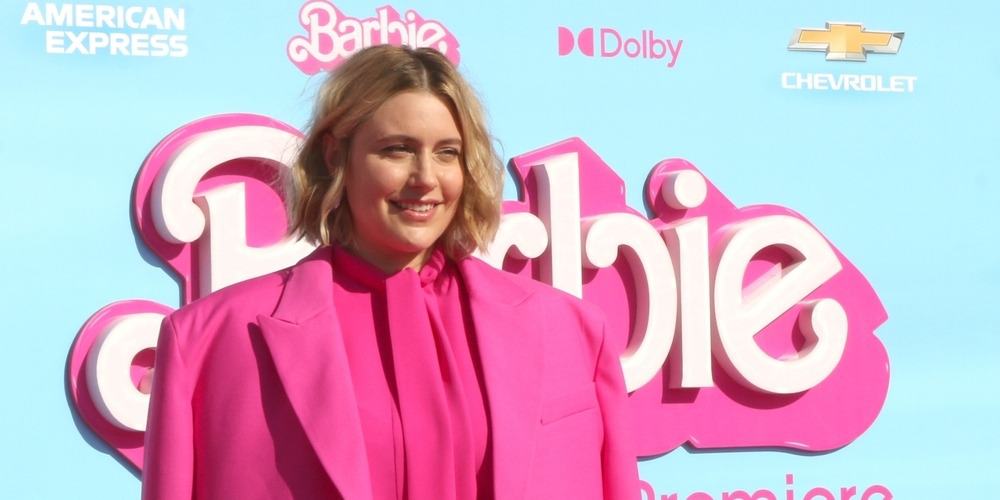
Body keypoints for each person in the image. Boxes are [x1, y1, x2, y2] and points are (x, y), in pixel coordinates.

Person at [142, 45, 639, 500]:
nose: (426, 179)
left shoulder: (571, 332)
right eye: (397, 150)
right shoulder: (210, 341)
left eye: (447, 153)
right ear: (337, 155)